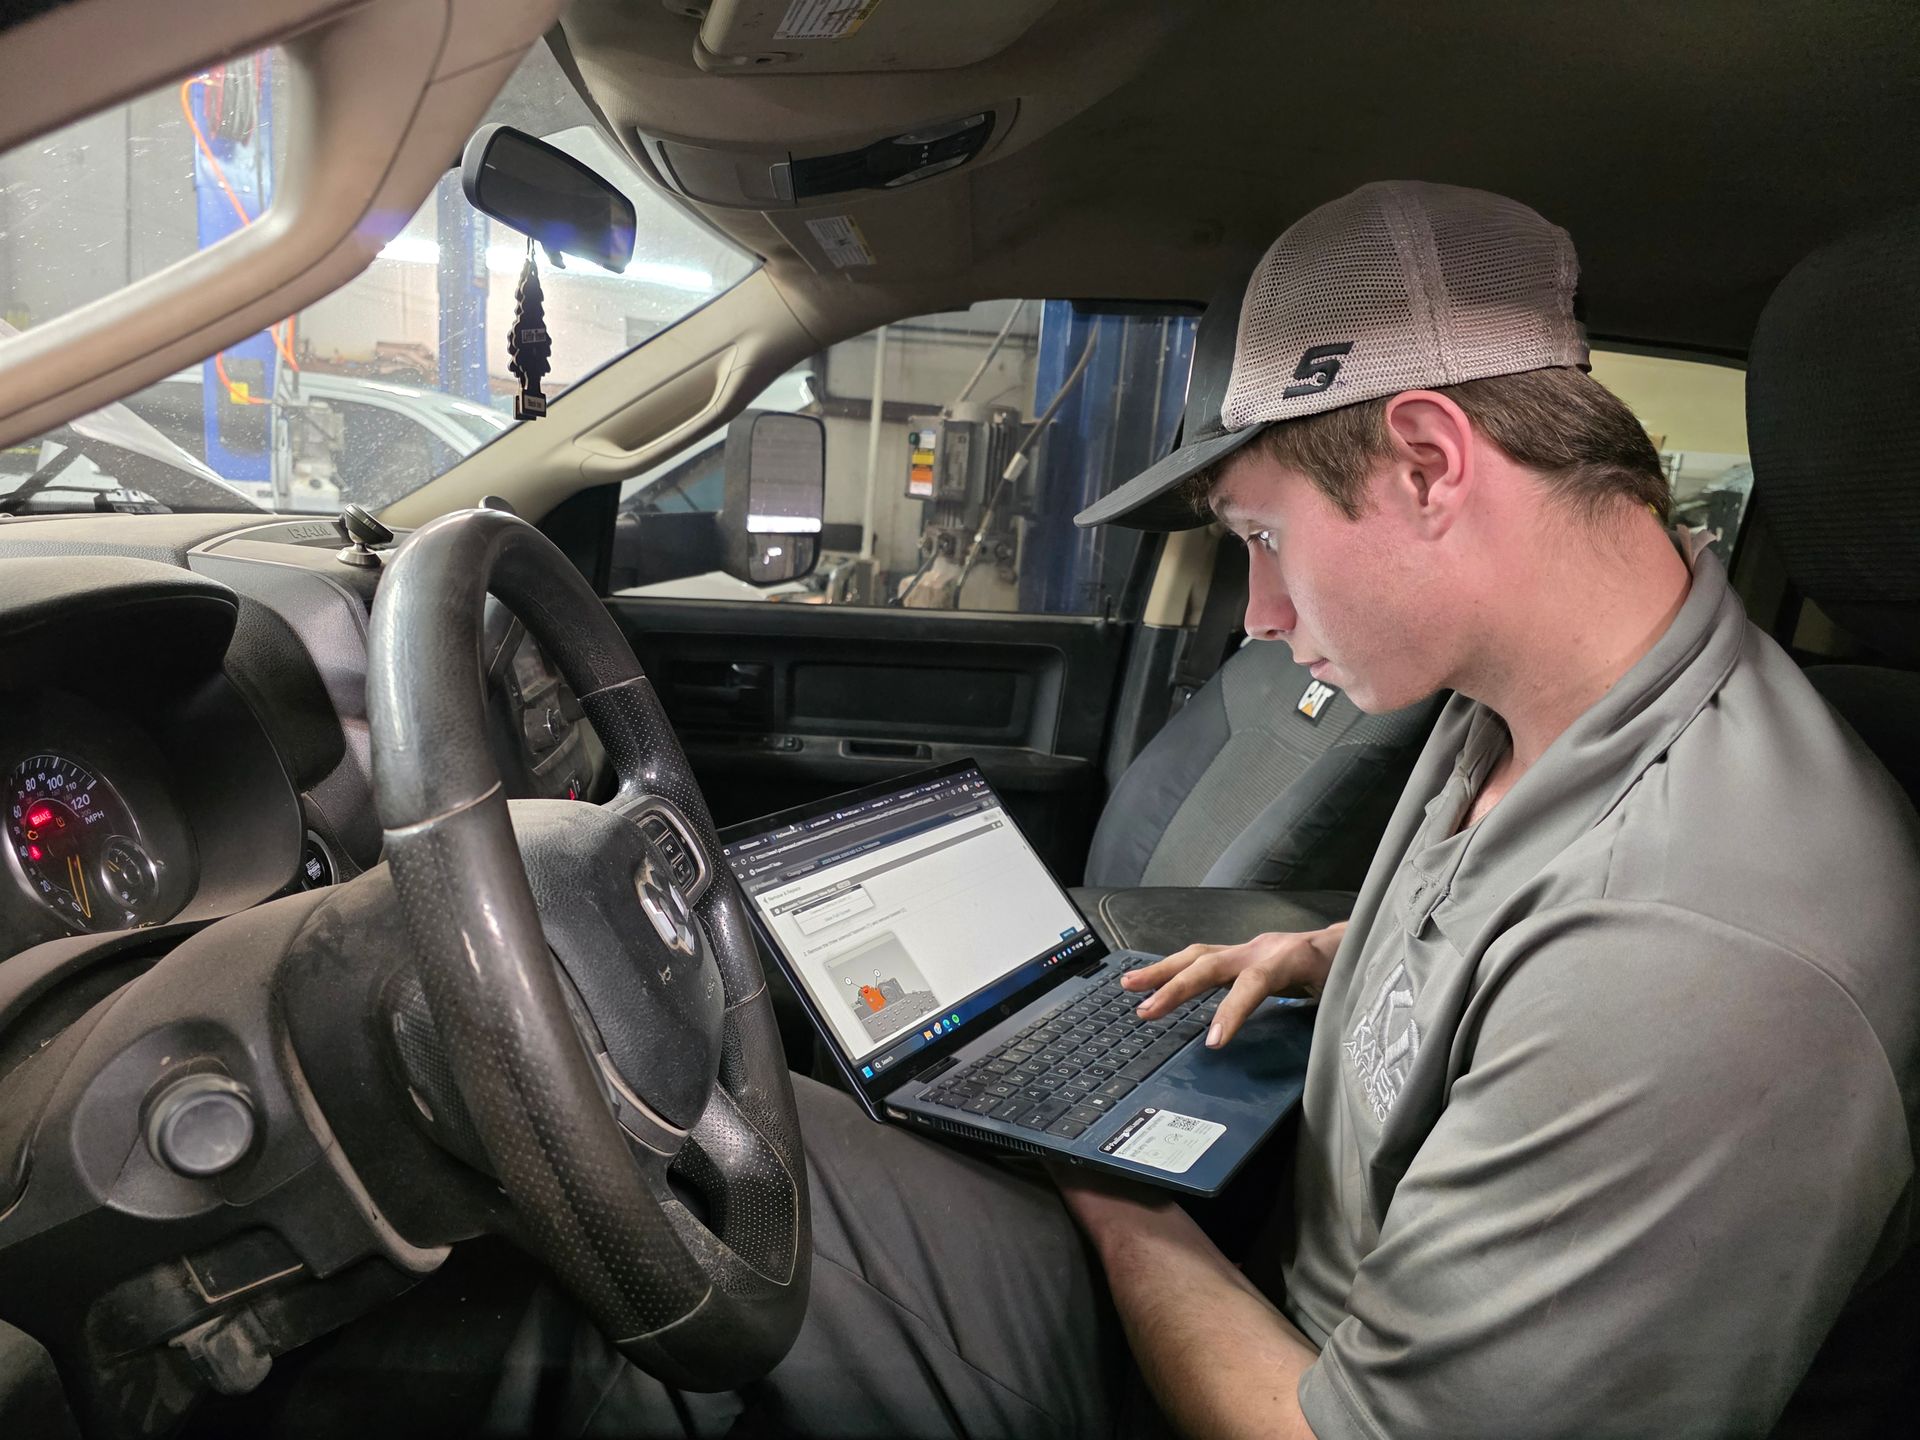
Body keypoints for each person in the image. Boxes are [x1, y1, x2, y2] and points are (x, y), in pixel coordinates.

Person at [234, 182, 1920, 1440]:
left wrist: (1111, 1203)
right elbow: (1534, 945)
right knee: (680, 1152)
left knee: (612, 1324)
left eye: (1261, 537)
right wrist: (1340, 956)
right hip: (1265, 1310)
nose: (1260, 620)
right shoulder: (1546, 712)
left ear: (1425, 461)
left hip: (1263, 1384)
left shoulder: (1704, 944)